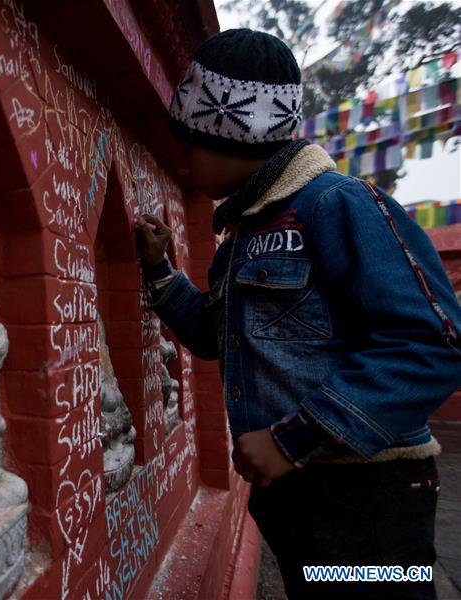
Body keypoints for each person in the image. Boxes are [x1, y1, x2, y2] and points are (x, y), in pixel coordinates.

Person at [134, 28, 461, 600]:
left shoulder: (337, 204)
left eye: (188, 143)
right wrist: (160, 271)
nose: (180, 161)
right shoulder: (244, 235)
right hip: (299, 497)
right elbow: (217, 336)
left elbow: (434, 346)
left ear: (233, 135)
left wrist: (292, 439)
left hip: (364, 497)